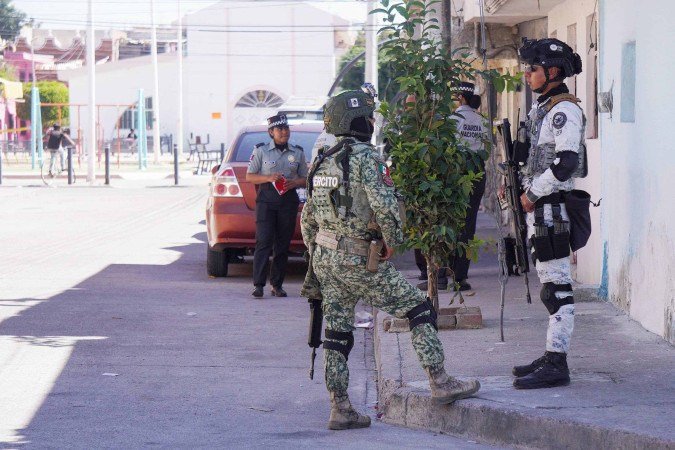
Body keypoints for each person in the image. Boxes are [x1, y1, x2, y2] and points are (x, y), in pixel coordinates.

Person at [301, 89, 480, 430]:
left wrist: (319, 254)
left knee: (337, 332)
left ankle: (340, 407)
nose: (372, 122)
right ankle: (440, 381)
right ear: (356, 120)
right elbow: (384, 205)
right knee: (419, 309)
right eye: (368, 117)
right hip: (358, 257)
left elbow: (307, 218)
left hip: (326, 258)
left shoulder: (322, 159)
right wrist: (391, 242)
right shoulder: (366, 158)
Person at [503, 38, 585, 389]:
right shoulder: (543, 109)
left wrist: (532, 193)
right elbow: (532, 159)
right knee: (549, 285)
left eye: (533, 69)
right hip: (539, 210)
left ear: (552, 72)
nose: (527, 75)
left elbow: (566, 163)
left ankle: (557, 363)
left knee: (557, 290)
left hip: (551, 209)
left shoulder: (564, 111)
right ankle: (552, 354)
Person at [416, 82, 487, 291]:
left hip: (454, 174)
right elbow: (486, 150)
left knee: (446, 224)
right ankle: (460, 278)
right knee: (468, 227)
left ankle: (440, 276)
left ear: (460, 97)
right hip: (476, 174)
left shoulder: (452, 120)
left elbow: (444, 149)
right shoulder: (482, 121)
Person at [246, 114, 308, 298]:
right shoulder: (261, 151)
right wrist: (268, 177)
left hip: (288, 201)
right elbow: (250, 176)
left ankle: (277, 285)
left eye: (286, 128)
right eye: (279, 129)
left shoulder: (297, 152)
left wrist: (295, 182)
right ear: (271, 132)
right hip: (266, 201)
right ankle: (258, 285)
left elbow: (306, 179)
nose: (284, 132)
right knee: (264, 241)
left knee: (282, 244)